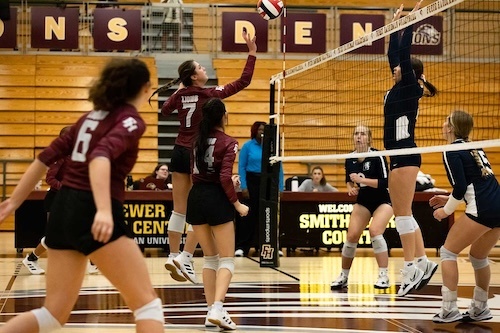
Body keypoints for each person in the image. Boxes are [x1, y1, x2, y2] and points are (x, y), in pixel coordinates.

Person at [0, 58, 164, 333]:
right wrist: (101, 209)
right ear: (146, 87)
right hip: (93, 206)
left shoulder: (88, 118)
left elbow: (43, 159)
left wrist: (14, 201)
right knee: (148, 306)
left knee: (52, 315)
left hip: (63, 209)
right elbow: (100, 158)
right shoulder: (131, 120)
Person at [154, 27, 257, 283]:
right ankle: (185, 257)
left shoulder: (180, 94)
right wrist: (252, 53)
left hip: (178, 151)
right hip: (198, 153)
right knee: (201, 205)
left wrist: (179, 90)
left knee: (180, 210)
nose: (204, 69)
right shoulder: (208, 95)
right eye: (200, 67)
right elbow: (242, 82)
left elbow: (164, 111)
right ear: (194, 76)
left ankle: (174, 255)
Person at [384, 1, 439, 297]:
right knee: (404, 212)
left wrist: (411, 24)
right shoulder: (398, 86)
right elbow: (395, 54)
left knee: (402, 214)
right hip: (400, 155)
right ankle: (421, 261)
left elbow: (402, 56)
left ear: (406, 72)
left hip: (404, 154)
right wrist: (395, 26)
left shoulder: (408, 88)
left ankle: (409, 270)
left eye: (398, 68)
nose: (393, 68)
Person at [429, 110, 500, 323]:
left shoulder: (451, 150)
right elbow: (472, 185)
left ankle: (449, 309)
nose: (442, 124)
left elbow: (461, 187)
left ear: (450, 127)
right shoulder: (473, 146)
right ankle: (480, 308)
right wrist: (447, 198)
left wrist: (446, 211)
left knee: (448, 252)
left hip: (483, 209)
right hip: (497, 205)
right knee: (478, 257)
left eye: (445, 120)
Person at [188, 98, 249, 330]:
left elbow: (199, 173)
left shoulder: (196, 140)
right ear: (223, 116)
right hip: (216, 200)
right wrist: (237, 205)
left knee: (210, 259)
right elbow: (223, 178)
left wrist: (221, 181)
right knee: (227, 259)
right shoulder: (229, 142)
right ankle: (218, 307)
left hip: (196, 198)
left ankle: (210, 312)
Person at [23, 126, 100, 275]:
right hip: (56, 199)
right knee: (55, 235)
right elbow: (50, 179)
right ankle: (31, 259)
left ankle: (92, 263)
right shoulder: (59, 156)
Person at [330, 125, 393, 290]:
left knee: (375, 231)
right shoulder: (349, 158)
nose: (359, 136)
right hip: (363, 200)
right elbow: (348, 179)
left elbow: (386, 183)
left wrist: (362, 180)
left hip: (383, 200)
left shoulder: (377, 156)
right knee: (351, 236)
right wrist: (350, 187)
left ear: (369, 138)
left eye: (363, 133)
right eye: (356, 134)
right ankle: (343, 276)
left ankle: (383, 276)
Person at [235, 121, 284, 257]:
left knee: (269, 215)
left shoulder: (272, 148)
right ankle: (242, 247)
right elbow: (242, 167)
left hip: (268, 181)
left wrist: (280, 186)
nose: (262, 132)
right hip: (252, 182)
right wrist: (244, 186)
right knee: (248, 216)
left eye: (264, 130)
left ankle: (272, 246)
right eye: (259, 130)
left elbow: (279, 167)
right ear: (254, 131)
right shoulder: (247, 146)